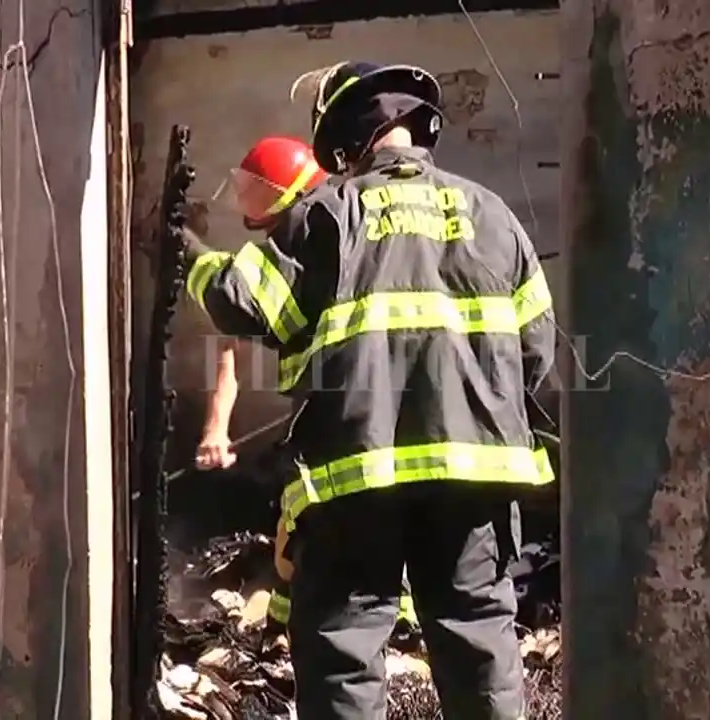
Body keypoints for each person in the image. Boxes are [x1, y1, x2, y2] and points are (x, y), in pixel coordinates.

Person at [181, 62, 555, 719]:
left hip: (357, 482)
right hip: (477, 480)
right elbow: (536, 353)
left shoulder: (327, 215)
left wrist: (187, 254)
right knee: (480, 649)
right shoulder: (496, 218)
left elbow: (243, 302)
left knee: (346, 657)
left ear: (345, 138)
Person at [191, 134, 417, 634]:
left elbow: (233, 305)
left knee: (339, 554)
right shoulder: (320, 236)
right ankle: (291, 630)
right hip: (363, 433)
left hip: (355, 440)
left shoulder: (316, 236)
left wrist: (191, 255)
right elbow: (235, 336)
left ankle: (374, 632)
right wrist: (216, 427)